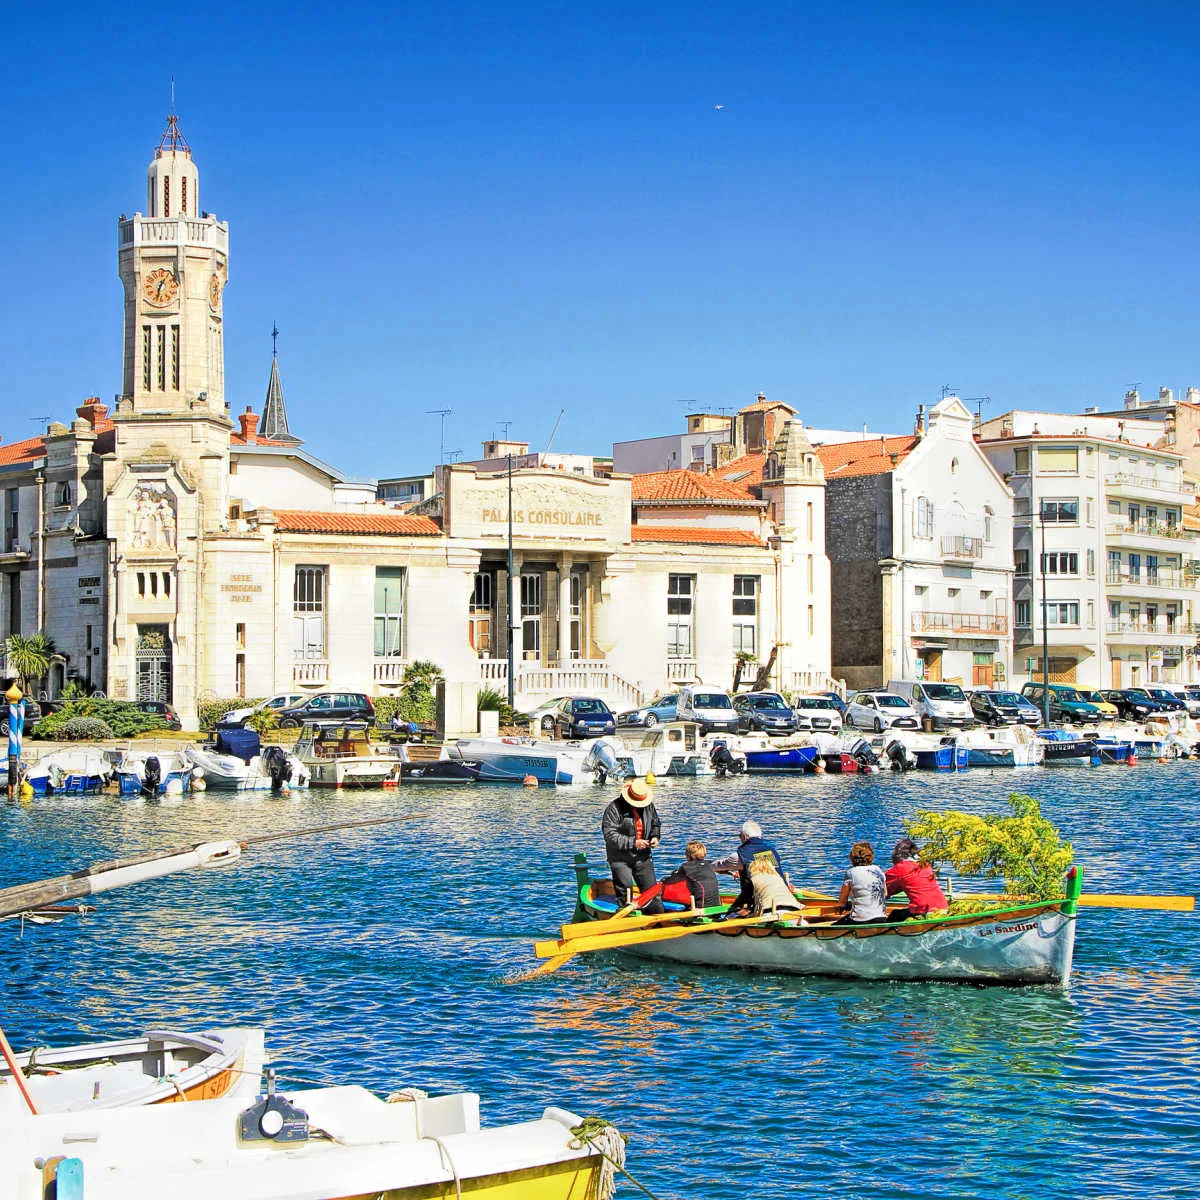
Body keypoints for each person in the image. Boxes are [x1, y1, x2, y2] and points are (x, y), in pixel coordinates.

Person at [602, 775, 662, 912]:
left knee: (653, 895)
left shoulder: (649, 806)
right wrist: (634, 843)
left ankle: (655, 920)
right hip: (620, 858)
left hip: (643, 857)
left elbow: (655, 823)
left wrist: (655, 837)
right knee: (626, 895)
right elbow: (610, 835)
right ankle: (627, 918)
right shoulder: (614, 808)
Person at [712, 820, 786, 918]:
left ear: (745, 837)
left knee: (729, 916)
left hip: (758, 903)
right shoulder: (772, 851)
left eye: (739, 836)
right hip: (783, 897)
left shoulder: (740, 856)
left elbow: (714, 867)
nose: (739, 838)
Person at [634, 840, 721, 912]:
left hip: (700, 908)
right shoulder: (710, 865)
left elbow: (670, 880)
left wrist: (663, 880)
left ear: (688, 855)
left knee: (662, 887)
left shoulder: (686, 867)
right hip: (716, 905)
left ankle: (640, 904)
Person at [885, 837, 948, 922]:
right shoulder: (925, 865)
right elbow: (914, 883)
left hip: (924, 910)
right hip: (942, 906)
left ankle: (885, 930)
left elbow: (882, 885)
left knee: (895, 915)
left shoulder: (900, 868)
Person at [835, 841, 887, 924]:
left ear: (852, 857)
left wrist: (844, 906)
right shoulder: (878, 870)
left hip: (860, 920)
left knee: (836, 924)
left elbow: (842, 902)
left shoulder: (851, 872)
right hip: (881, 917)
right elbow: (885, 894)